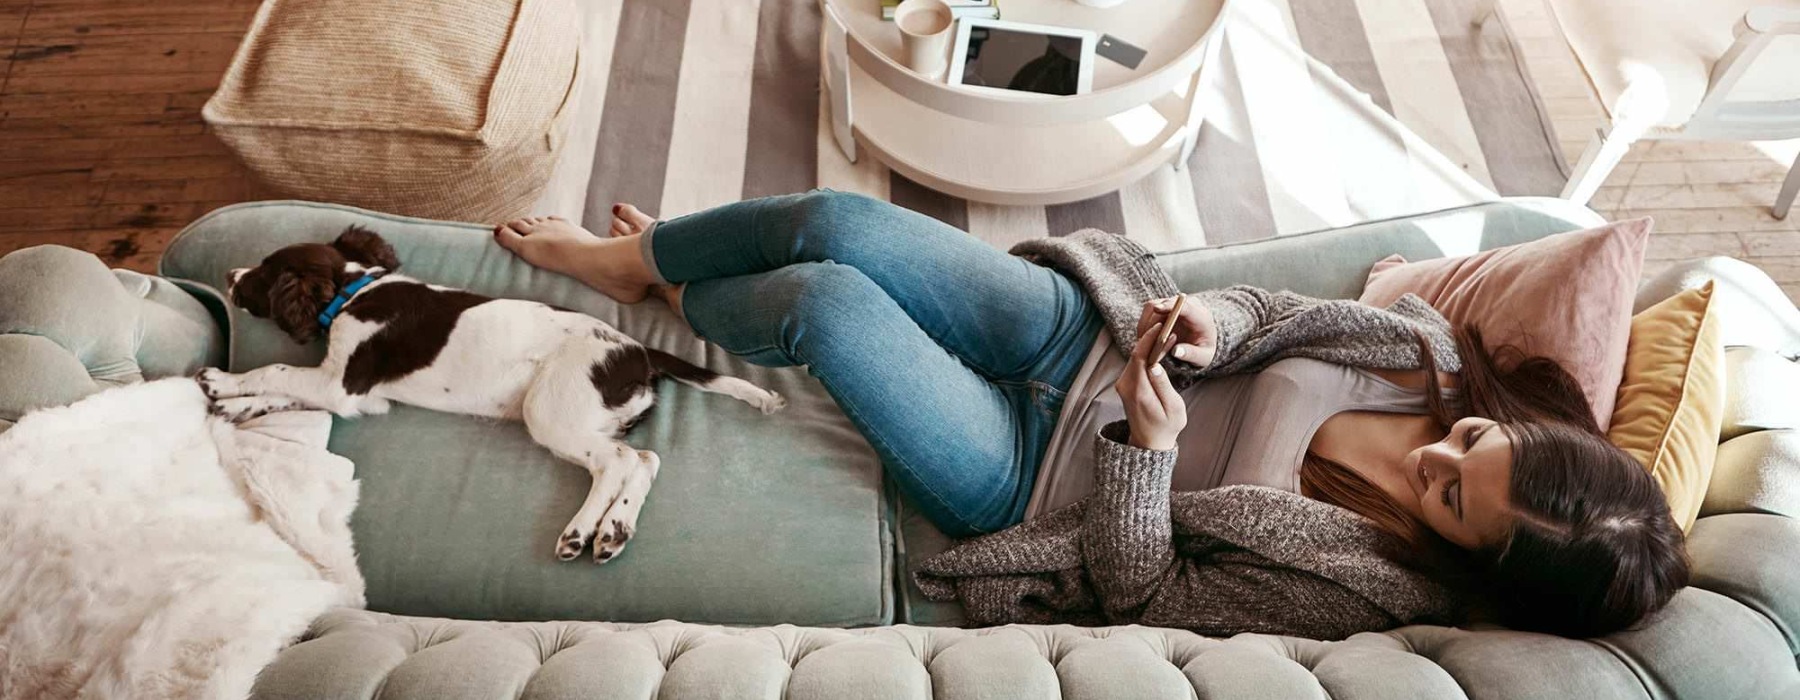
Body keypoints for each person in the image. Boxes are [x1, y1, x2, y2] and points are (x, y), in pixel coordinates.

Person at [492, 190, 1687, 639]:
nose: (1438, 453)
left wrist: (1150, 453)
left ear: (1465, 559)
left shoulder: (1367, 586)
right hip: (1081, 335)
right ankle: (637, 261)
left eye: (1446, 496)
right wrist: (1217, 322)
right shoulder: (1429, 354)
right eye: (1476, 444)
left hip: (1031, 476)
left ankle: (686, 289)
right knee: (837, 223)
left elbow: (1147, 592)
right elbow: (1273, 313)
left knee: (824, 302)